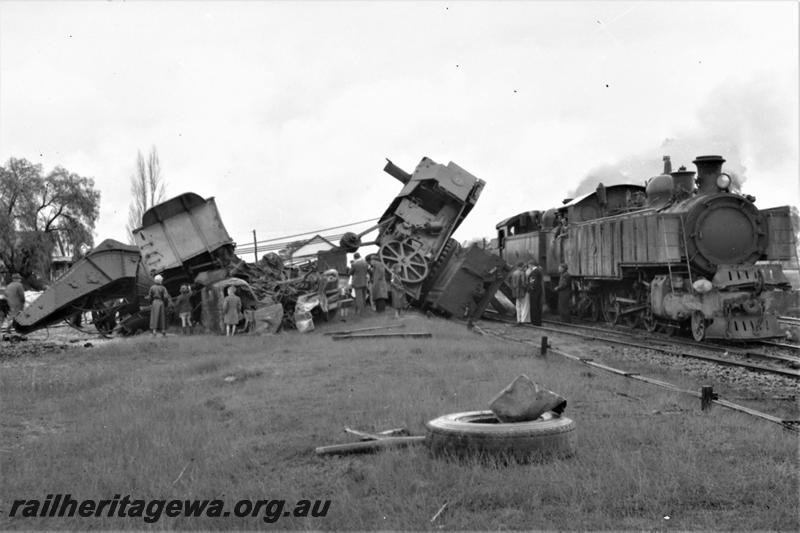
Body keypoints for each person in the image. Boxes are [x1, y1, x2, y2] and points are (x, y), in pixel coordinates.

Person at [527, 259, 544, 326]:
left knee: (534, 306)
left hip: (534, 291)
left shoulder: (534, 272)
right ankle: (538, 321)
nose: (528, 267)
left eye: (529, 265)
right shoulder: (538, 271)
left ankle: (535, 322)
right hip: (538, 290)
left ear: (531, 265)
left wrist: (529, 289)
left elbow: (532, 282)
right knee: (537, 306)